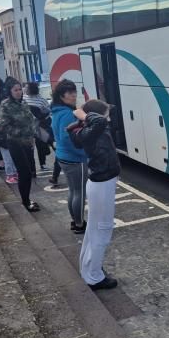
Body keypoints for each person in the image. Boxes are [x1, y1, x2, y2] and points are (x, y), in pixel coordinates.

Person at [68, 99, 121, 290]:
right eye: (106, 115)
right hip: (102, 185)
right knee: (102, 230)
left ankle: (89, 269)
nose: (108, 119)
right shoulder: (93, 128)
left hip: (100, 183)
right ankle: (94, 277)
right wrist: (82, 114)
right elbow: (98, 122)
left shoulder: (89, 130)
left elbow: (98, 122)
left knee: (94, 230)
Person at [51, 80, 88, 233]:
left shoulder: (57, 111)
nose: (74, 95)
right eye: (70, 93)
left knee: (73, 191)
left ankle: (75, 221)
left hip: (63, 157)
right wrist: (84, 153)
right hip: (74, 159)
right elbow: (68, 139)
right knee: (79, 192)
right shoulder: (67, 114)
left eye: (74, 92)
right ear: (62, 95)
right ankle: (79, 224)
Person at [0, 81, 39, 212]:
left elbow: (30, 120)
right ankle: (26, 201)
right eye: (15, 90)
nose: (18, 92)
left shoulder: (24, 102)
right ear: (10, 91)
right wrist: (20, 133)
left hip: (27, 142)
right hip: (15, 142)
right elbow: (3, 125)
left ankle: (27, 198)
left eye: (20, 89)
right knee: (24, 172)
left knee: (30, 172)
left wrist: (32, 136)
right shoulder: (6, 104)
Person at [24, 81, 53, 171]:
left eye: (26, 87)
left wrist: (41, 116)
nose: (24, 89)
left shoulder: (41, 99)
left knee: (40, 145)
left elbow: (48, 110)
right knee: (30, 146)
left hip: (39, 126)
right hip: (27, 126)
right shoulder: (23, 98)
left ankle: (43, 164)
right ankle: (31, 166)